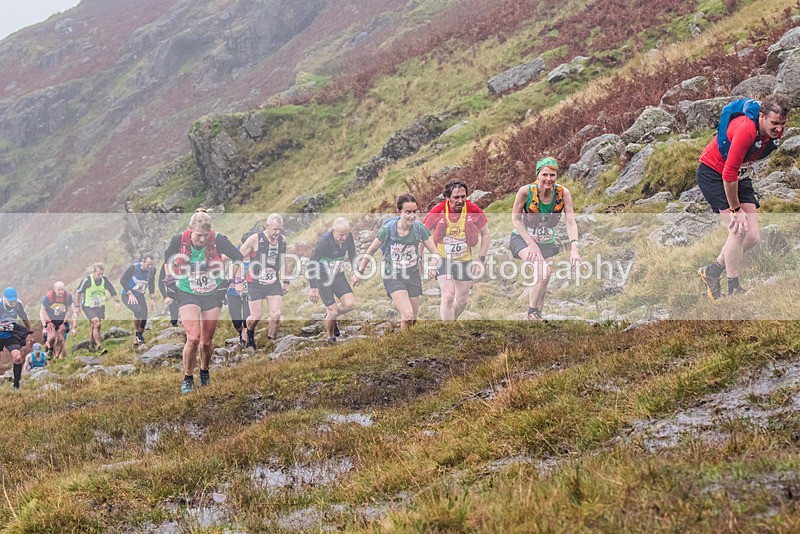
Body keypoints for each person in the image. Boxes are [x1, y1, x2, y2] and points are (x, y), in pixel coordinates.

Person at [696, 94, 790, 300]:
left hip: (741, 173)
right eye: (774, 123)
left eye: (783, 124)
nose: (779, 129)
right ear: (762, 117)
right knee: (739, 231)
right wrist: (735, 210)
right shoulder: (747, 130)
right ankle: (734, 288)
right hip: (714, 174)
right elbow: (728, 174)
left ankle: (711, 272)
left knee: (753, 236)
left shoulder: (770, 131)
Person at [164, 209, 244, 394]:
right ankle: (187, 377)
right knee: (193, 338)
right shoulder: (179, 240)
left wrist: (230, 279)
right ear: (190, 229)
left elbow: (238, 257)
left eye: (205, 236)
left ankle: (205, 371)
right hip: (187, 291)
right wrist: (169, 277)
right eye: (199, 235)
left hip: (212, 293)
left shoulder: (218, 240)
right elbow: (167, 258)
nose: (202, 239)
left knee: (206, 342)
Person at [510, 157, 581, 320]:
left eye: (553, 175)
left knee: (544, 279)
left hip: (546, 241)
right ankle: (531, 312)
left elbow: (570, 221)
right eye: (545, 174)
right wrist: (531, 244)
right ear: (538, 175)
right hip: (522, 239)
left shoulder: (563, 193)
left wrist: (574, 248)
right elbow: (515, 219)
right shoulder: (525, 192)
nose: (549, 179)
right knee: (544, 273)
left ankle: (537, 318)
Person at [358, 194, 439, 331]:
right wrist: (360, 272)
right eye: (408, 212)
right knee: (407, 315)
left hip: (412, 274)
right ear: (399, 211)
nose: (412, 216)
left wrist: (432, 264)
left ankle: (405, 343)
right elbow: (371, 251)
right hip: (393, 274)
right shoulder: (388, 229)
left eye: (414, 212)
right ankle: (404, 349)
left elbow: (435, 252)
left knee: (412, 320)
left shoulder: (419, 228)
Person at [423, 179, 490, 320]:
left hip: (464, 260)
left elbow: (486, 234)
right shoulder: (438, 210)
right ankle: (448, 332)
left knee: (462, 301)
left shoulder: (472, 209)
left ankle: (449, 322)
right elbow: (422, 234)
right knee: (448, 295)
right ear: (447, 198)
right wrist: (423, 259)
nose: (460, 200)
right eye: (456, 197)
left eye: (463, 197)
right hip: (443, 259)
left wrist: (480, 259)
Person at [307, 217, 360, 343]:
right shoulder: (324, 242)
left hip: (338, 276)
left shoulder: (348, 237)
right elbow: (311, 263)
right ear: (333, 231)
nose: (344, 238)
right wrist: (313, 287)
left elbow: (352, 254)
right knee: (333, 311)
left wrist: (355, 271)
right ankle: (330, 337)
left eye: (346, 234)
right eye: (341, 235)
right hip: (323, 278)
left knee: (350, 305)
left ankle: (330, 316)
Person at [240, 214, 289, 348]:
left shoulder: (282, 241)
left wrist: (286, 281)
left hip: (273, 282)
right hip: (255, 283)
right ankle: (249, 333)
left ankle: (270, 341)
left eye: (280, 229)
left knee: (276, 314)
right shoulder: (255, 239)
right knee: (256, 317)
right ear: (267, 226)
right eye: (274, 229)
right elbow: (239, 256)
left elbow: (283, 261)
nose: (277, 232)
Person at [74, 264, 120, 354]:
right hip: (88, 306)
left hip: (99, 306)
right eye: (98, 274)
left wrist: (116, 301)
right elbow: (78, 292)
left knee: (95, 326)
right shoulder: (87, 280)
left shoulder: (104, 279)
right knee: (96, 323)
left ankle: (91, 345)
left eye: (102, 274)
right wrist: (77, 306)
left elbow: (111, 289)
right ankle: (99, 346)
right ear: (94, 272)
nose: (100, 276)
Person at [120, 255, 156, 346]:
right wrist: (129, 293)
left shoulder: (152, 270)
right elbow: (122, 280)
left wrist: (152, 297)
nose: (150, 266)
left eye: (151, 264)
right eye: (148, 264)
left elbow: (151, 283)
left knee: (144, 317)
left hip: (140, 295)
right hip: (127, 295)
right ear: (143, 262)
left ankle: (137, 340)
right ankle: (137, 333)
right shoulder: (134, 268)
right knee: (138, 311)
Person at [0, 287, 32, 391]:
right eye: (10, 300)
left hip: (11, 334)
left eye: (14, 300)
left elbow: (24, 317)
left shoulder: (18, 304)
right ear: (4, 298)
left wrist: (29, 332)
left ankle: (16, 386)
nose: (12, 302)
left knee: (18, 358)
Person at [227, 231, 253, 347]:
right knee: (236, 321)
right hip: (233, 292)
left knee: (247, 318)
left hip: (250, 292)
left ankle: (248, 340)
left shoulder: (257, 256)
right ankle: (241, 331)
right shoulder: (234, 254)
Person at [40, 281, 77, 359]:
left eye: (62, 290)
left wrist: (65, 321)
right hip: (51, 319)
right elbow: (43, 310)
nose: (61, 292)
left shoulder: (67, 296)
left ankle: (56, 356)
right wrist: (47, 322)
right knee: (52, 337)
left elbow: (70, 309)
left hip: (61, 320)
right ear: (54, 289)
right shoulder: (49, 296)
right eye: (59, 290)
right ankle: (50, 349)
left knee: (60, 338)